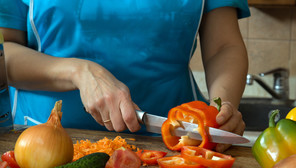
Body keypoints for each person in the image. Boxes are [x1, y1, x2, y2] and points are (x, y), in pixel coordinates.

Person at [0, 1, 250, 152]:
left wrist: (221, 108)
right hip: (43, 145)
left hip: (176, 146)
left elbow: (223, 47)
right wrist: (80, 72)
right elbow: (4, 51)